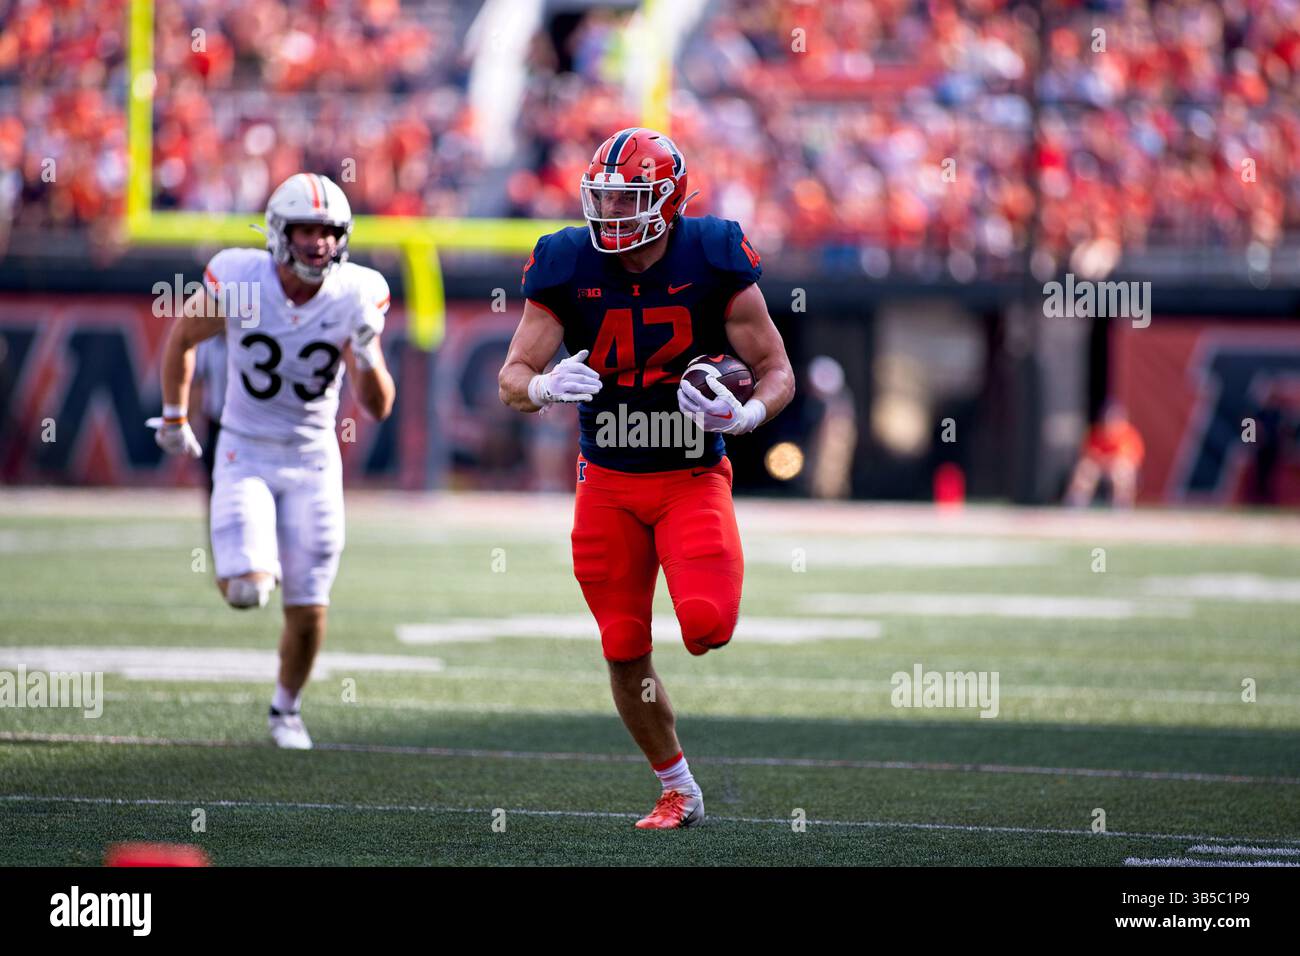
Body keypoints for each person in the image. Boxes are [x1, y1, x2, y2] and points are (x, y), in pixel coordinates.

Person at [498, 128, 795, 828]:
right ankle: (678, 787)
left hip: (690, 473)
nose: (611, 214)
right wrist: (544, 387)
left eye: (628, 200)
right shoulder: (565, 261)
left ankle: (680, 774)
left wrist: (747, 415)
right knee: (623, 645)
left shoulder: (713, 252)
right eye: (602, 198)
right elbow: (510, 378)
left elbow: (777, 369)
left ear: (668, 201)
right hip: (606, 478)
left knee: (706, 626)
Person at [147, 173, 396, 749]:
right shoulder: (240, 278)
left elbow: (379, 407)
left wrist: (365, 352)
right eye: (307, 230)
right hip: (244, 451)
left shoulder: (357, 293)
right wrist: (174, 416)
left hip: (313, 459)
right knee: (246, 592)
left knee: (309, 605)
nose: (318, 244)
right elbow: (183, 337)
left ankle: (286, 710)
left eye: (329, 232)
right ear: (280, 233)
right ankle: (265, 556)